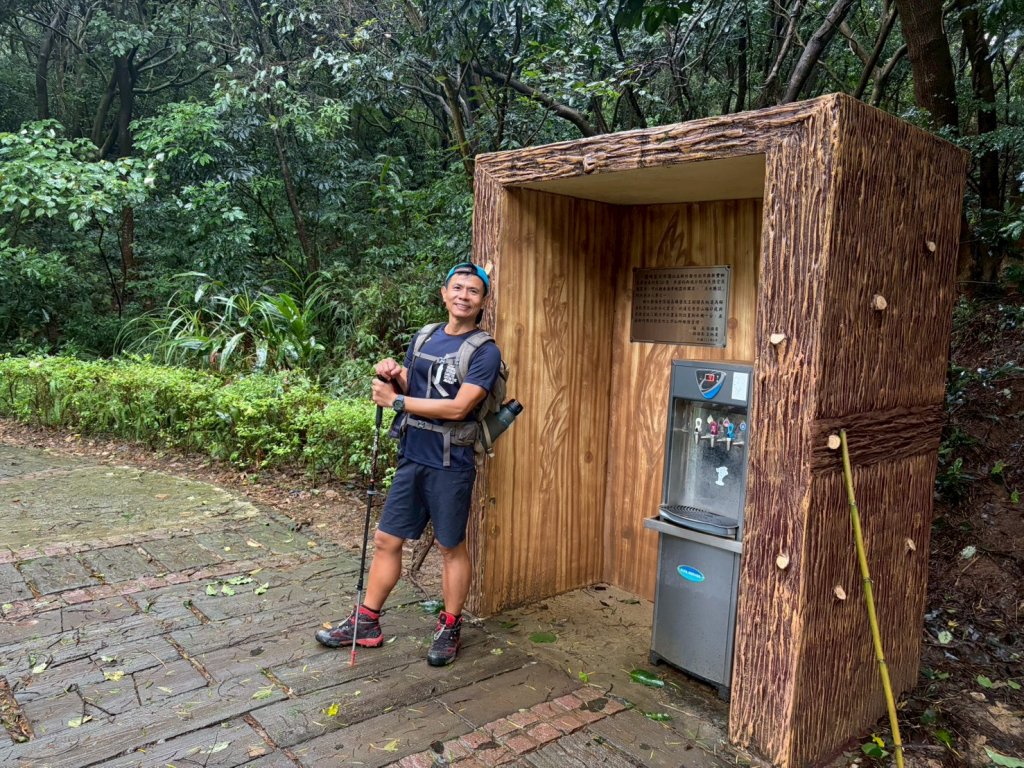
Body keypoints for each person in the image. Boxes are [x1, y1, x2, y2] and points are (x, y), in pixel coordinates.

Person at [315, 262, 501, 666]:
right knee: (387, 539)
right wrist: (395, 376)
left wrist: (395, 400)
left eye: (473, 291)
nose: (463, 295)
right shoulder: (425, 337)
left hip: (451, 462)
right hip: (412, 456)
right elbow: (415, 390)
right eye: (457, 288)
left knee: (451, 547)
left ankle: (450, 625)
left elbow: (458, 406)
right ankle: (367, 622)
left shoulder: (485, 351)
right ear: (444, 293)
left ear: (483, 301)